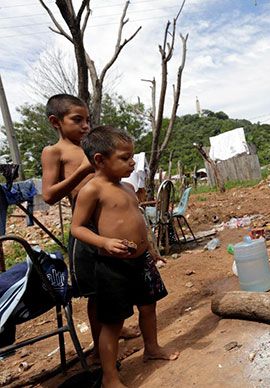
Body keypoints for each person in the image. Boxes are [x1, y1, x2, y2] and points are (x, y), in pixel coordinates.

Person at [71, 126, 178, 388]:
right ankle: (110, 377)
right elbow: (77, 228)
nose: (132, 162)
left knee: (149, 307)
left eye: (132, 156)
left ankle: (151, 348)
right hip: (112, 265)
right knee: (113, 322)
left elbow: (137, 220)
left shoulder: (129, 187)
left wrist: (150, 249)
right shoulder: (92, 190)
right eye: (124, 157)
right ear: (99, 160)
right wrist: (104, 242)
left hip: (140, 261)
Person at [41, 94, 140, 365]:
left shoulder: (92, 146)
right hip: (85, 229)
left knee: (118, 284)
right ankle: (99, 350)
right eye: (77, 120)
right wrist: (82, 171)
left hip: (110, 223)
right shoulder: (55, 151)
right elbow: (48, 195)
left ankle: (116, 329)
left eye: (87, 120)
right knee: (97, 291)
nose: (85, 125)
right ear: (55, 122)